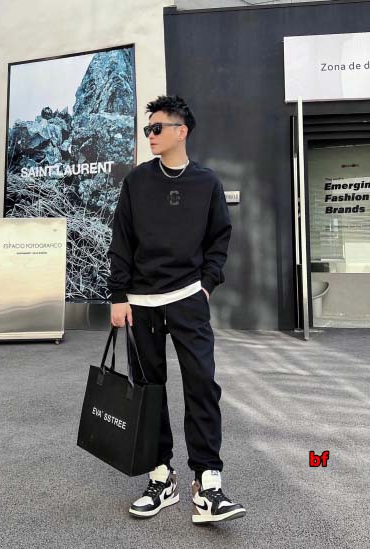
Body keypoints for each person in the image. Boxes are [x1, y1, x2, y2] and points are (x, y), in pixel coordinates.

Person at [107, 95, 246, 524]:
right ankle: (161, 477)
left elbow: (219, 238)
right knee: (149, 391)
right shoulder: (136, 182)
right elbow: (121, 239)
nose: (150, 135)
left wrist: (206, 285)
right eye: (147, 129)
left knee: (201, 384)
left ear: (181, 131)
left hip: (188, 298)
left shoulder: (206, 183)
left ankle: (208, 483)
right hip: (142, 303)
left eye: (157, 128)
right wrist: (118, 295)